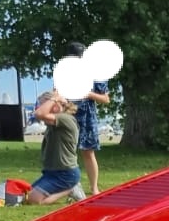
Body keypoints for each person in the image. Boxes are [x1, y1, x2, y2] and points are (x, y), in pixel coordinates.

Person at [65, 42, 111, 195]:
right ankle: (70, 187)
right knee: (67, 152)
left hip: (86, 116)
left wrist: (89, 94)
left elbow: (105, 99)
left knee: (88, 152)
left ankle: (94, 188)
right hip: (68, 114)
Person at [25, 90, 85, 205]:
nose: (41, 107)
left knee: (32, 200)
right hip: (52, 173)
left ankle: (70, 189)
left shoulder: (65, 119)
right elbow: (40, 114)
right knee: (26, 195)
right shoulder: (54, 121)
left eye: (44, 105)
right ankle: (69, 188)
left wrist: (54, 98)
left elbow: (38, 114)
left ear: (55, 105)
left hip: (65, 173)